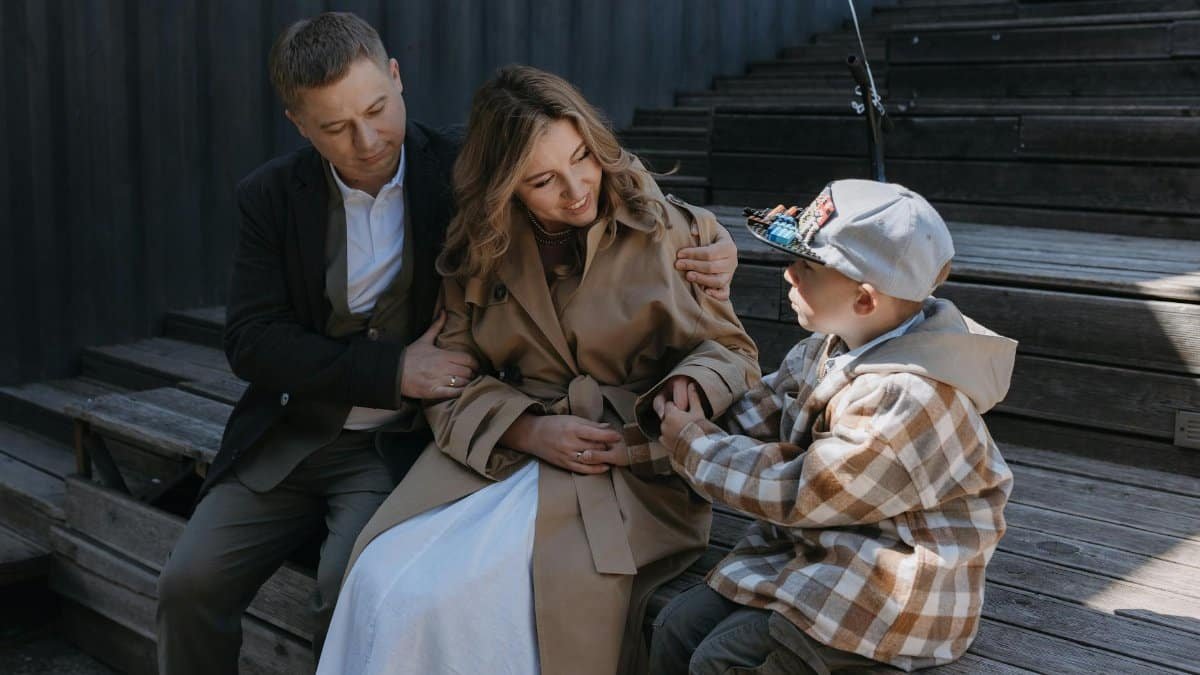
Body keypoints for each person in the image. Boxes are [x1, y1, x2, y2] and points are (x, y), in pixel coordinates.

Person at [155, 14, 741, 673]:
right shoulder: (275, 196)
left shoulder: (458, 169)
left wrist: (710, 238)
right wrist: (396, 369)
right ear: (299, 124)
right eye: (335, 127)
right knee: (189, 584)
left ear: (398, 80)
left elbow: (586, 159)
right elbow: (251, 340)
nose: (367, 140)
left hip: (402, 445)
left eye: (377, 109)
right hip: (297, 432)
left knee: (355, 584)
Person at [318, 65, 762, 675]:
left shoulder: (669, 231)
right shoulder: (481, 247)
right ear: (506, 188)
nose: (578, 188)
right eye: (544, 180)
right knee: (380, 576)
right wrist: (525, 429)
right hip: (500, 456)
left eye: (583, 157)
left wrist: (688, 387)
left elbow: (732, 351)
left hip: (622, 469)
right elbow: (449, 382)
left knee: (475, 599)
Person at [648, 180, 1017, 674]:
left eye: (806, 267)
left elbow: (805, 488)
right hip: (829, 544)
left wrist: (693, 446)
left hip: (899, 582)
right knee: (675, 627)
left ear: (864, 299)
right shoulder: (833, 345)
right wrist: (683, 413)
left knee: (722, 662)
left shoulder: (913, 397)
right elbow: (758, 416)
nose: (788, 274)